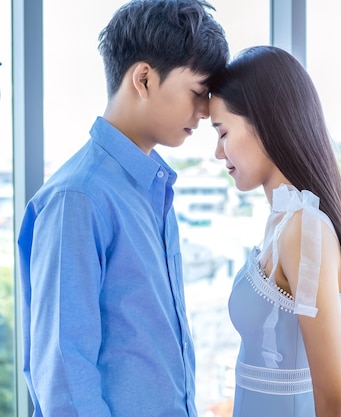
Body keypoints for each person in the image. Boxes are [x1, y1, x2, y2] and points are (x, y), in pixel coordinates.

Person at [16, 1, 228, 416]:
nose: (205, 112)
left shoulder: (153, 189)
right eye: (197, 93)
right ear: (144, 79)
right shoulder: (79, 197)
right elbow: (63, 371)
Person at [208, 45, 341, 417]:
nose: (218, 153)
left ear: (264, 123)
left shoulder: (304, 228)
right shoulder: (284, 222)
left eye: (222, 132)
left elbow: (339, 404)